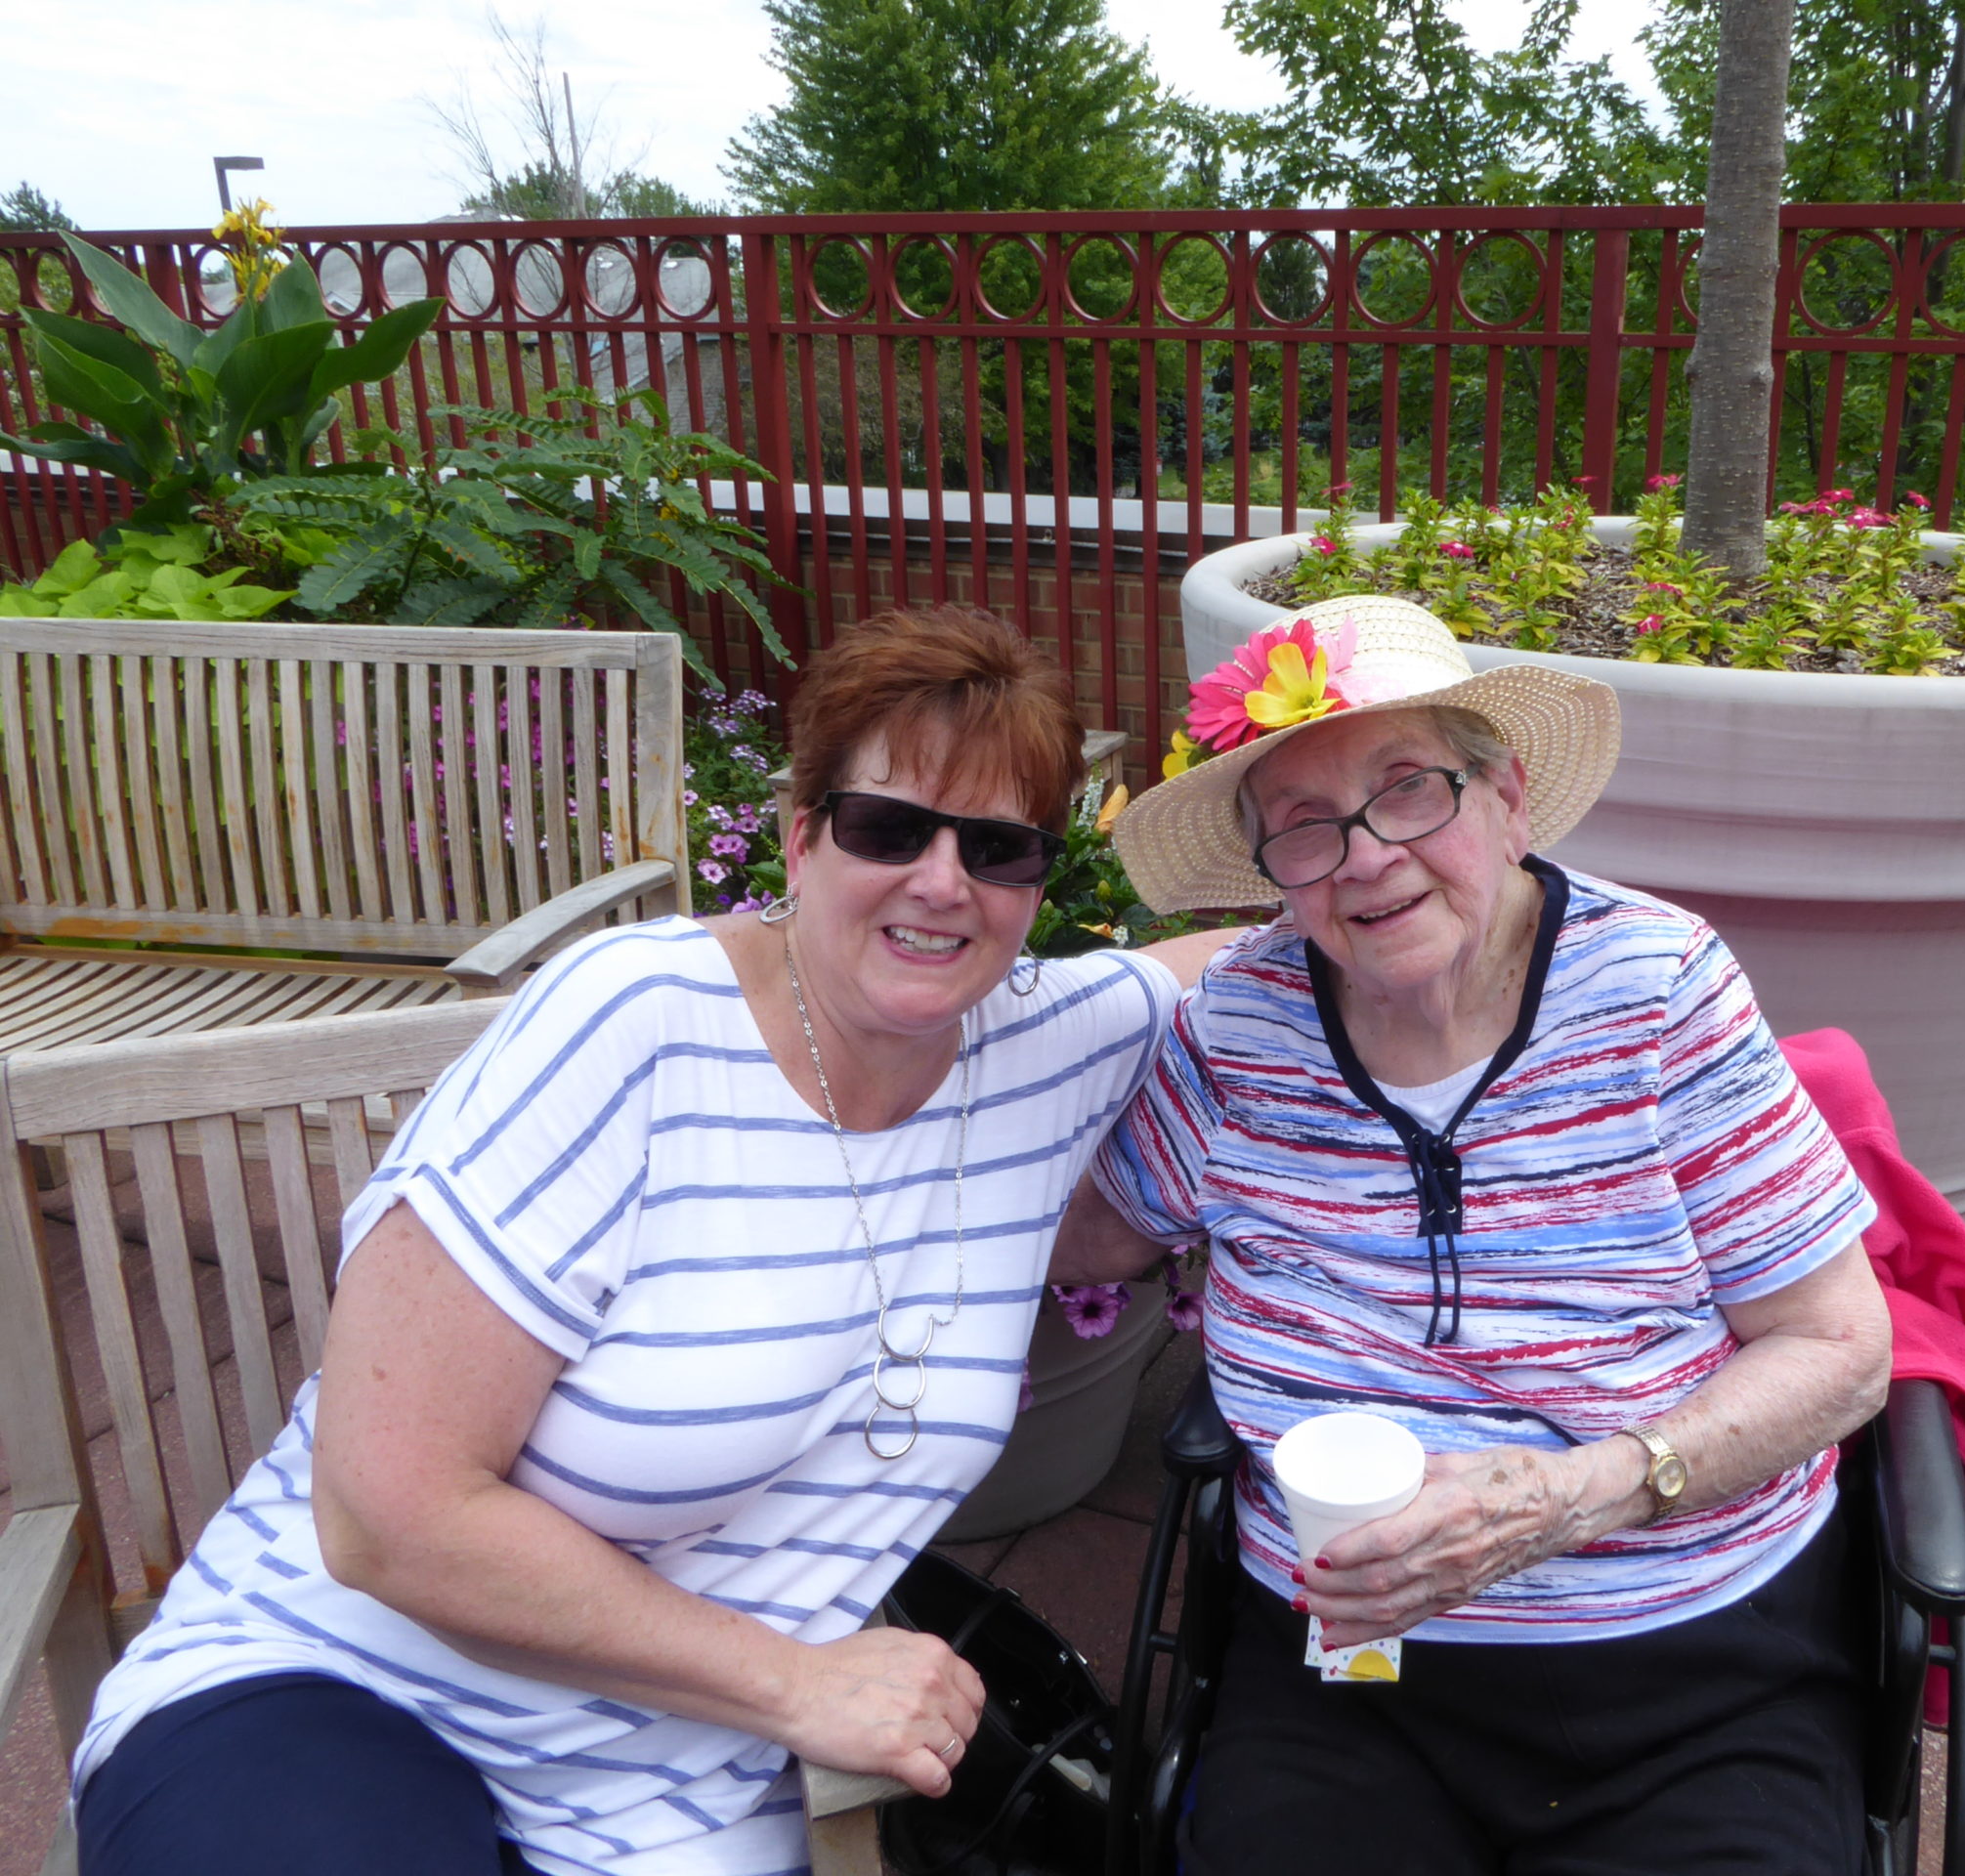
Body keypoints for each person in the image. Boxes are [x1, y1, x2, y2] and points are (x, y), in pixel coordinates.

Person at [71, 606, 1230, 1876]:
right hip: (355, 1690)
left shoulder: (1049, 1041)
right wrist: (793, 1684)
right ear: (800, 838)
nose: (942, 881)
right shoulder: (632, 1024)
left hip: (677, 1787)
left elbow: (1283, 954)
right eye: (887, 828)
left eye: (998, 847)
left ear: (1037, 883)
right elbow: (388, 1519)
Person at [1065, 595, 1897, 1874]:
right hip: (1343, 1660)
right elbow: (1097, 1241)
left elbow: (1839, 1347)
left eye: (1410, 791)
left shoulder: (1658, 991)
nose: (1367, 857)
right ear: (1273, 876)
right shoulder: (1239, 1029)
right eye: (1305, 828)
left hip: (1685, 1655)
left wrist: (1578, 1494)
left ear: (1507, 798)